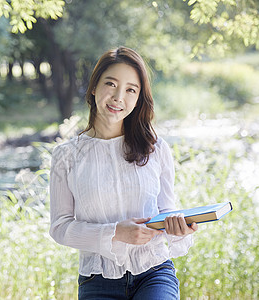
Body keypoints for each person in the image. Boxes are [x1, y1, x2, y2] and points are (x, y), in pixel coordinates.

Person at [49, 46, 198, 300]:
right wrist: (115, 233)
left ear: (139, 98)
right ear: (94, 86)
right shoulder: (66, 156)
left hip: (154, 272)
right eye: (111, 84)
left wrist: (177, 228)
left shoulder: (155, 148)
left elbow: (166, 210)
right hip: (98, 280)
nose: (119, 97)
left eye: (131, 89)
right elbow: (60, 228)